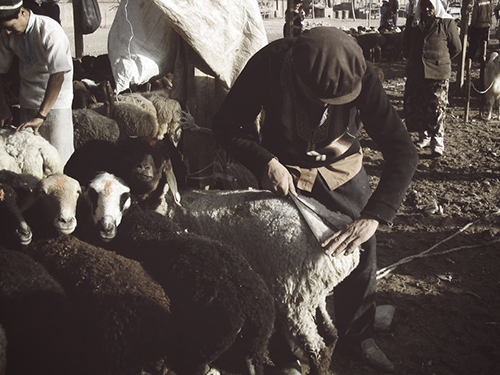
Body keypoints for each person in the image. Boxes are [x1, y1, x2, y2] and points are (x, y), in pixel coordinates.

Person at [212, 27, 419, 374]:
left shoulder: (359, 73)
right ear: (295, 71)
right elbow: (227, 125)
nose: (326, 106)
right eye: (319, 96)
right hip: (286, 176)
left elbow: (403, 151)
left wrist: (374, 216)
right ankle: (285, 352)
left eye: (336, 101)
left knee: (359, 252)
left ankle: (358, 334)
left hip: (344, 173)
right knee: (282, 264)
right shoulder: (269, 64)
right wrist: (266, 162)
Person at [0, 0, 74, 165]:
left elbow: (58, 75)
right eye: (4, 28)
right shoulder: (7, 34)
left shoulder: (50, 31)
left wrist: (41, 115)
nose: (7, 32)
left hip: (56, 105)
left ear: (22, 12)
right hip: (28, 100)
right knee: (31, 161)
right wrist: (4, 108)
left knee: (59, 161)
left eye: (10, 27)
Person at [403, 0, 461, 157]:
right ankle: (424, 136)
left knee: (437, 107)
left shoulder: (446, 23)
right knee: (418, 105)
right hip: (417, 72)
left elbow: (456, 47)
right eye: (423, 5)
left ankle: (437, 140)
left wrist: (440, 61)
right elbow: (406, 44)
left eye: (430, 5)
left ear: (436, 5)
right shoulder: (414, 23)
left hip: (438, 73)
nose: (427, 9)